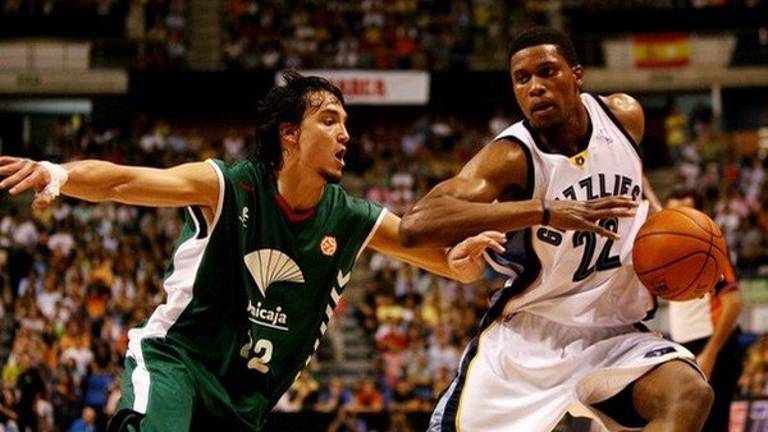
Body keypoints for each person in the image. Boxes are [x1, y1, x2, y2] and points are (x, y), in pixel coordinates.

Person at [0, 71, 502, 432]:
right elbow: (124, 181)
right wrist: (59, 174)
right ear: (289, 133)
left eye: (346, 123)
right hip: (179, 362)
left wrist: (462, 263)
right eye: (329, 120)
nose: (345, 133)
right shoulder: (228, 184)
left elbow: (444, 263)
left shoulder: (351, 217)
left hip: (245, 402)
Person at [399, 27, 713, 431]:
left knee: (689, 392)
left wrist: (666, 227)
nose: (536, 88)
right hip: (528, 341)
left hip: (612, 331)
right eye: (522, 78)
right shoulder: (511, 156)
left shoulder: (624, 116)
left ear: (577, 75)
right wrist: (542, 211)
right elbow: (415, 225)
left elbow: (636, 183)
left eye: (548, 72)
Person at [666, 188, 744, 432]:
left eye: (685, 210)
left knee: (711, 425)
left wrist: (710, 353)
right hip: (684, 348)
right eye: (673, 210)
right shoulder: (664, 247)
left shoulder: (708, 249)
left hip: (713, 346)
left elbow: (734, 303)